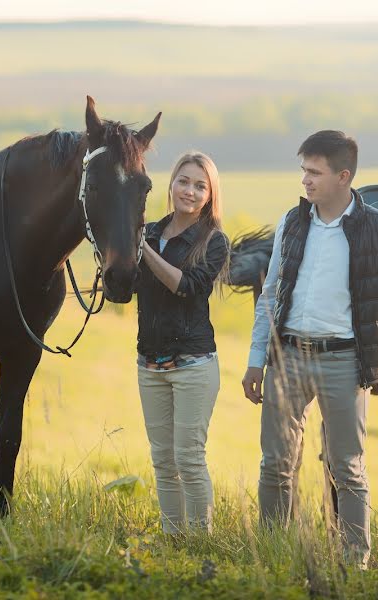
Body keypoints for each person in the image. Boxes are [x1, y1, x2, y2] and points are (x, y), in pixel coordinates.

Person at [241, 130, 378, 567]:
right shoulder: (291, 224)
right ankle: (274, 557)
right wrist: (257, 359)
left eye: (315, 172)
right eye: (303, 171)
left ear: (343, 176)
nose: (306, 181)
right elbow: (270, 294)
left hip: (344, 362)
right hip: (287, 358)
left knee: (346, 469)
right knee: (275, 465)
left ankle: (355, 566)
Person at [136, 151, 230, 534]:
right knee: (162, 460)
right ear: (171, 183)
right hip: (149, 363)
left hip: (193, 364)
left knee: (188, 458)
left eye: (199, 185)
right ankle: (174, 539)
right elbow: (128, 292)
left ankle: (200, 542)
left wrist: (141, 249)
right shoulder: (152, 230)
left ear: (209, 195)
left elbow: (186, 287)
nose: (189, 191)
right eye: (183, 181)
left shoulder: (213, 241)